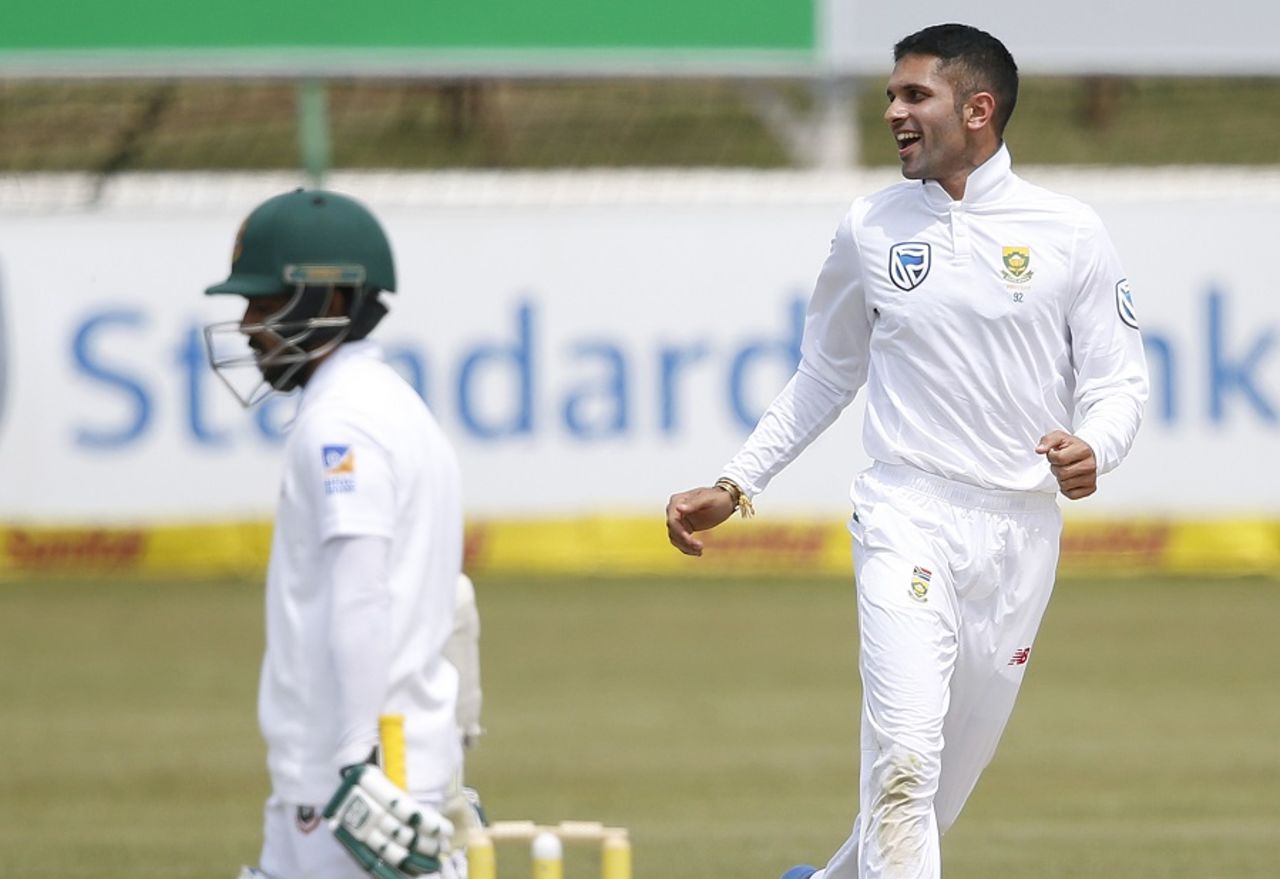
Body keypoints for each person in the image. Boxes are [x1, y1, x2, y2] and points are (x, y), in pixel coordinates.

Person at [665, 23, 1148, 879]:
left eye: (913, 95)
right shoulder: (870, 227)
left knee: (936, 793)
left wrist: (1094, 448)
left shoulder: (1070, 231)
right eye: (892, 94)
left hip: (1020, 534)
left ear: (978, 108)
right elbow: (824, 373)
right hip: (906, 512)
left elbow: (1119, 383)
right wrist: (735, 481)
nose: (893, 111)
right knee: (904, 764)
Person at [204, 188, 467, 879]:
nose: (247, 326)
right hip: (361, 770)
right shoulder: (390, 406)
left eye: (261, 305)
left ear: (327, 302)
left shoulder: (342, 424)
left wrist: (355, 762)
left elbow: (361, 592)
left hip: (352, 779)